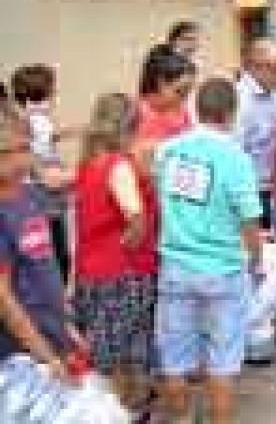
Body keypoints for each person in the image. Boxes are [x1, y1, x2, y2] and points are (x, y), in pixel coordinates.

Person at [154, 78, 262, 424]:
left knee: (174, 358)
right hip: (223, 268)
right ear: (232, 113)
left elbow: (164, 198)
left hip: (176, 265)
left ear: (196, 108)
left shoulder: (168, 150)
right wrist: (255, 259)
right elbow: (249, 219)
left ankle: (181, 419)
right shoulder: (236, 158)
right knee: (223, 362)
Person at [71, 93, 158, 408]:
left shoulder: (86, 165)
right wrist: (131, 240)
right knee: (125, 355)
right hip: (123, 274)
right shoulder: (119, 165)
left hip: (91, 273)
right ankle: (125, 410)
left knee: (107, 354)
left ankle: (121, 409)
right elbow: (135, 214)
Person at [0, 106, 81, 381]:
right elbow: (4, 297)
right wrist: (44, 353)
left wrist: (65, 325)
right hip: (19, 352)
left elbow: (45, 268)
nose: (23, 159)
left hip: (52, 334)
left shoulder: (30, 196)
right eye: (11, 151)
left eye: (26, 148)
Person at [10, 64, 72, 281]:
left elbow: (48, 138)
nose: (55, 95)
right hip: (41, 198)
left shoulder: (36, 118)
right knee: (55, 255)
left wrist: (76, 131)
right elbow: (43, 174)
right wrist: (81, 173)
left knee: (56, 253)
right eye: (52, 92)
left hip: (44, 197)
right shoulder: (33, 122)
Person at [237, 38, 276, 229]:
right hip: (247, 191)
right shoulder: (242, 99)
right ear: (257, 68)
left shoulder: (272, 93)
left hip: (266, 187)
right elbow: (236, 151)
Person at [134, 51, 197, 163]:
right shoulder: (136, 115)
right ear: (161, 83)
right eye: (181, 91)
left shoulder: (181, 112)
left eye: (188, 91)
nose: (185, 98)